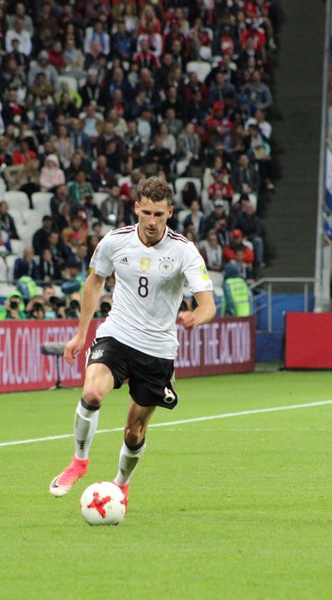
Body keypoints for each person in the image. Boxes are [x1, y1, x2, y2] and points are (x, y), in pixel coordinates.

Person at [48, 176, 216, 507]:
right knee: (92, 393)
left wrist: (196, 316)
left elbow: (208, 303)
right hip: (118, 334)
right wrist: (81, 333)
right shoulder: (115, 241)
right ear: (136, 208)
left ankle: (121, 485)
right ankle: (79, 462)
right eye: (146, 213)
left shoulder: (184, 251)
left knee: (134, 432)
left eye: (159, 214)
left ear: (170, 212)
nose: (151, 221)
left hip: (157, 350)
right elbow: (94, 282)